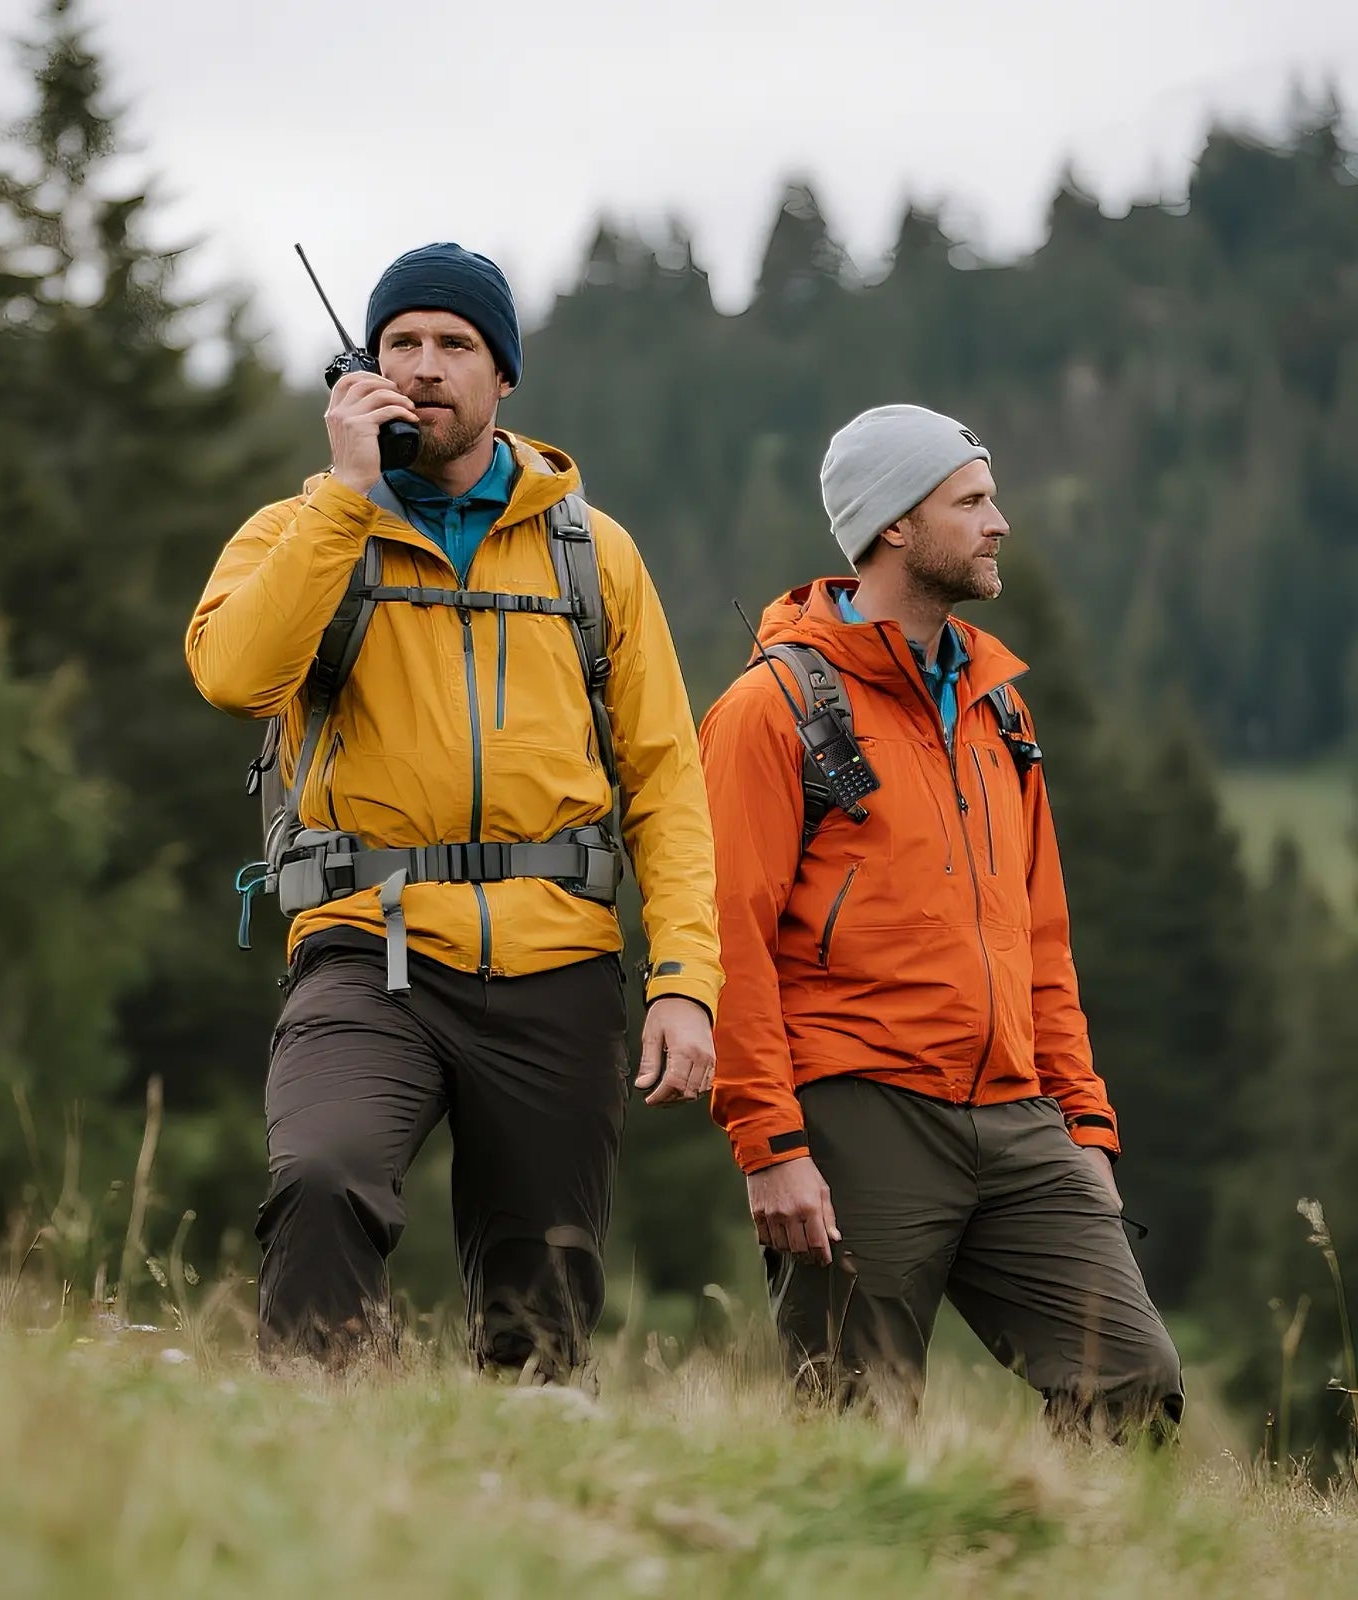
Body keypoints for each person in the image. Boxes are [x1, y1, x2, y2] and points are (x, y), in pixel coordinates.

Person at [185, 243, 721, 1379]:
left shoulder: (593, 553)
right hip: (363, 947)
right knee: (323, 1176)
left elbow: (665, 779)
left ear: (503, 376)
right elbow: (233, 675)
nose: (424, 369)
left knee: (543, 1287)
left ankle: (513, 1514)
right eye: (400, 345)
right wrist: (344, 501)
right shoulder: (299, 533)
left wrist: (683, 981)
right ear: (360, 369)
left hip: (558, 962)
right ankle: (308, 1456)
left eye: (453, 346)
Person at [699, 404, 1183, 1435]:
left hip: (1019, 1117)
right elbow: (723, 938)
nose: (999, 521)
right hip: (857, 1109)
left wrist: (1083, 1120)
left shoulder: (1000, 711)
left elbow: (1039, 935)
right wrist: (770, 1141)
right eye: (969, 501)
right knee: (854, 1426)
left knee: (1131, 1385)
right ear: (892, 529)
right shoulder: (767, 710)